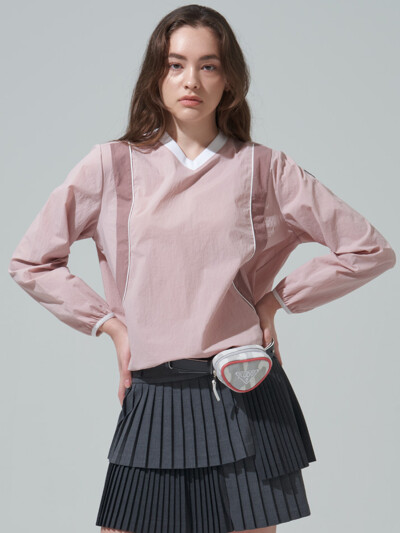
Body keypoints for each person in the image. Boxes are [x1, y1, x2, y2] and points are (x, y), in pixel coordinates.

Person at [8, 4, 396, 533]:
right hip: (154, 392)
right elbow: (32, 260)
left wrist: (275, 301)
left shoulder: (264, 169)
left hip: (245, 390)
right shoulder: (111, 166)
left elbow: (368, 249)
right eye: (176, 65)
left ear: (229, 79)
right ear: (156, 76)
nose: (191, 80)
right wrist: (111, 326)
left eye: (208, 65)